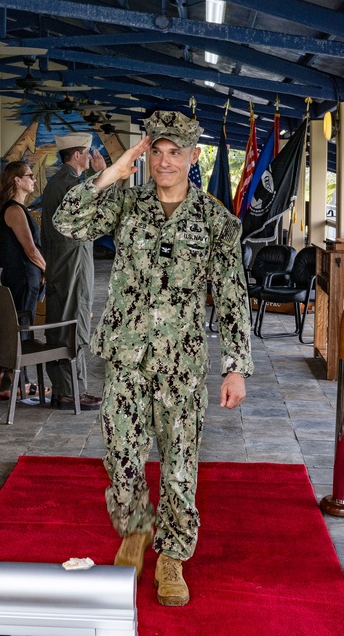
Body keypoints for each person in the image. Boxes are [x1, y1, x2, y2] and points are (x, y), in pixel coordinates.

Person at [54, 110, 253, 607]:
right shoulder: (125, 205)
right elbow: (66, 220)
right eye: (157, 153)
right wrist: (111, 174)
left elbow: (231, 295)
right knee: (121, 456)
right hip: (124, 355)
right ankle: (135, 530)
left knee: (180, 465)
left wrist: (234, 366)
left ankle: (171, 558)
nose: (165, 162)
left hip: (181, 363)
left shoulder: (216, 222)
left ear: (193, 157)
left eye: (175, 153)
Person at [41, 133, 106, 411]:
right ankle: (70, 392)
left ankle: (64, 389)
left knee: (63, 324)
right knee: (73, 326)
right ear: (78, 155)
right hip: (73, 263)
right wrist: (103, 175)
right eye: (88, 153)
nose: (91, 157)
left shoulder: (58, 182)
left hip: (64, 262)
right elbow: (96, 209)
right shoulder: (70, 184)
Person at [0, 161, 46, 394]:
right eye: (29, 175)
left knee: (23, 328)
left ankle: (19, 381)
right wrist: (48, 270)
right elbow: (30, 249)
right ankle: (20, 382)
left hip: (24, 276)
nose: (33, 179)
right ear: (17, 180)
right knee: (22, 329)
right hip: (23, 277)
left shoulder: (17, 208)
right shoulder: (14, 209)